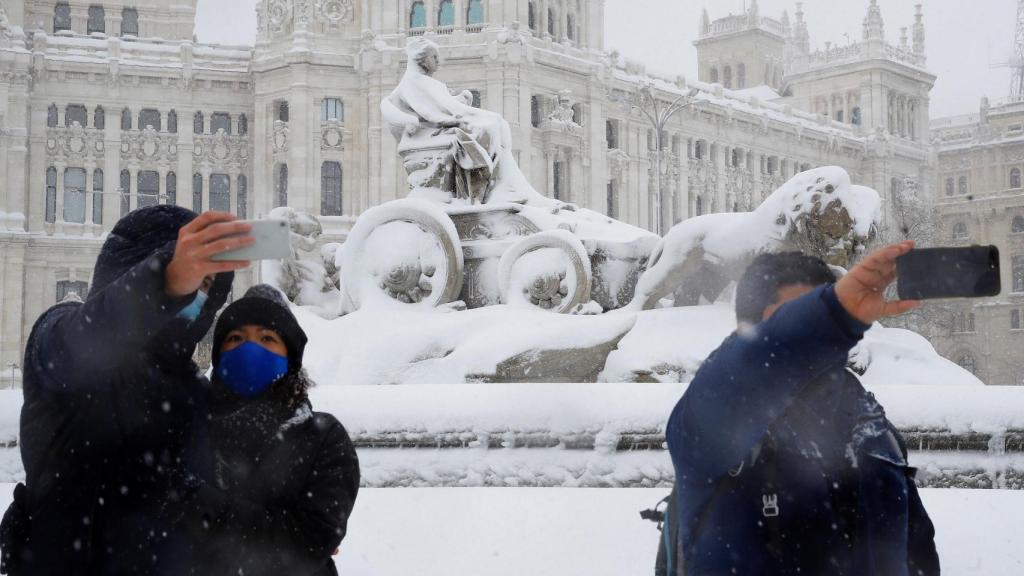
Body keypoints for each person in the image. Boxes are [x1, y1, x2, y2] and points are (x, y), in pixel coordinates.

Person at [0, 207, 253, 575]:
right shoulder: (58, 340)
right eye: (191, 279)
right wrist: (163, 280)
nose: (196, 294)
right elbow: (91, 336)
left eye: (208, 286)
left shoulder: (195, 391)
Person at [665, 243, 940, 576]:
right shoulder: (714, 423)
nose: (812, 335)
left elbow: (917, 557)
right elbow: (730, 385)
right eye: (796, 318)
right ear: (747, 332)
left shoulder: (875, 434)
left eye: (815, 315)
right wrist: (832, 313)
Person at [183, 284, 359, 576]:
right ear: (219, 353)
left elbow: (310, 541)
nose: (250, 349)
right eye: (236, 338)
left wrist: (201, 508)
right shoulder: (189, 428)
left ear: (288, 356)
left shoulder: (324, 437)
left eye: (267, 338)